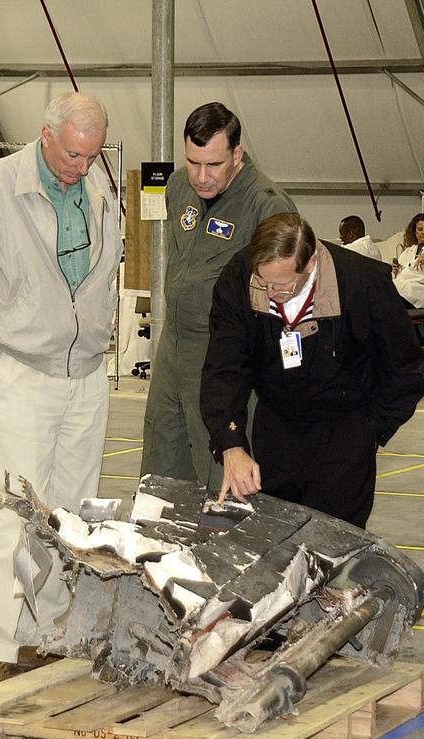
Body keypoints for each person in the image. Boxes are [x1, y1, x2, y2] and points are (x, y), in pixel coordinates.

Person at [0, 92, 122, 692]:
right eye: (72, 154)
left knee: (68, 521)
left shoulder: (97, 189)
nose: (80, 166)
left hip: (86, 378)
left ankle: (43, 640)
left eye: (91, 156)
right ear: (45, 135)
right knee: (11, 517)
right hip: (22, 373)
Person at [200, 213, 424, 528]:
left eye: (282, 286)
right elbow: (224, 365)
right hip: (276, 427)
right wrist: (231, 443)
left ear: (310, 265)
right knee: (274, 543)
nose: (270, 294)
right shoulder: (239, 277)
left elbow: (403, 367)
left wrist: (370, 431)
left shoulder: (363, 284)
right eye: (263, 283)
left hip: (344, 431)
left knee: (333, 547)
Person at [141, 103, 294, 488]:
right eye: (193, 162)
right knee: (161, 467)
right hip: (172, 348)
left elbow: (288, 298)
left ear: (237, 154)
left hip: (221, 356)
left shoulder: (266, 205)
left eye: (213, 165)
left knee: (220, 474)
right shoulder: (177, 187)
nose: (201, 177)